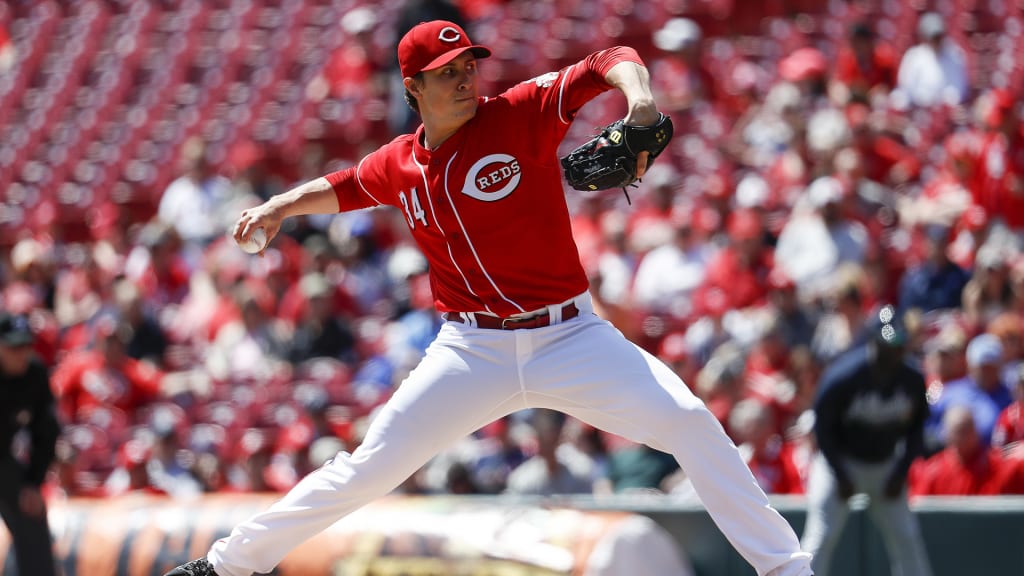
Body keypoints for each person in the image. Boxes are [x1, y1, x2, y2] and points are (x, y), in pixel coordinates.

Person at [164, 20, 814, 576]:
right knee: (367, 468)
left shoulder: (520, 112)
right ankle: (227, 566)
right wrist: (278, 206)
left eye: (470, 63)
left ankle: (789, 569)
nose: (466, 76)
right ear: (412, 87)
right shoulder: (399, 162)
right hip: (471, 349)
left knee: (689, 420)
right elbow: (343, 185)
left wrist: (639, 104)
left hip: (570, 337)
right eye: (447, 70)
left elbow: (610, 60)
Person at [800, 305, 933, 576]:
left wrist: (901, 470)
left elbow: (917, 429)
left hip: (884, 465)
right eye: (889, 344)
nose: (895, 351)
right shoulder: (843, 377)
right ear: (874, 342)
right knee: (819, 538)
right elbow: (823, 430)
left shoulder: (912, 379)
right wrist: (840, 472)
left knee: (907, 539)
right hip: (838, 463)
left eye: (900, 344)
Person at [0, 311, 61, 576]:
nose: (21, 353)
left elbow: (46, 432)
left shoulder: (35, 375)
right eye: (13, 347)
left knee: (32, 510)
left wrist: (33, 483)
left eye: (25, 345)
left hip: (1, 459)